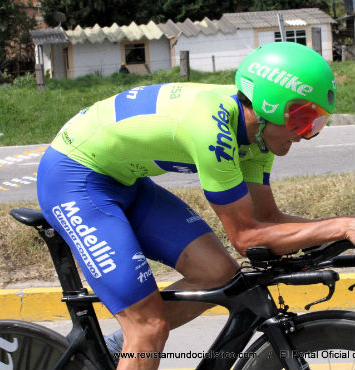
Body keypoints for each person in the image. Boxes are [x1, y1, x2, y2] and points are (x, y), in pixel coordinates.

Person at [37, 42, 354, 370]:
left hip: (125, 181)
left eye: (316, 123)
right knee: (148, 327)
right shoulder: (212, 130)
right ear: (269, 105)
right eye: (302, 119)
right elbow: (247, 237)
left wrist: (341, 237)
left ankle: (121, 347)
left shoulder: (258, 136)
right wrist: (343, 225)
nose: (306, 135)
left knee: (218, 274)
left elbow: (268, 219)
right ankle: (137, 337)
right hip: (73, 180)